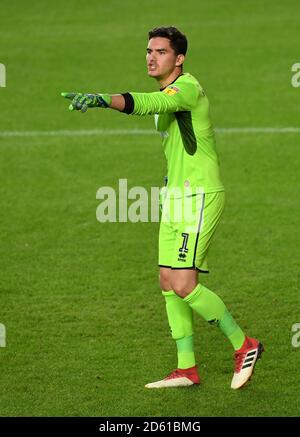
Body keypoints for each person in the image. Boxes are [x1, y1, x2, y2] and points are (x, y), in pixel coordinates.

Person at [61, 26, 264, 389]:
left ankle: (244, 345)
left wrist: (102, 99)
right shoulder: (169, 92)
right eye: (149, 51)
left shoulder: (185, 88)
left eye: (161, 52)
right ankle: (187, 368)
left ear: (179, 58)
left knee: (185, 283)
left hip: (199, 196)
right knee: (168, 281)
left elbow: (153, 103)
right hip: (176, 198)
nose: (152, 57)